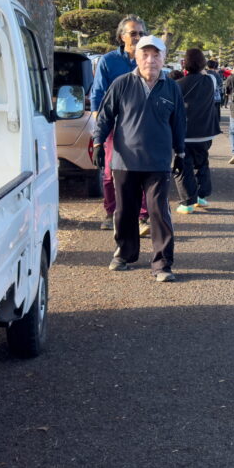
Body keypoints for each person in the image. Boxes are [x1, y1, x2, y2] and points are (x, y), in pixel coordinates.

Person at [92, 35, 185, 281]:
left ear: (164, 58)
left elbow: (179, 123)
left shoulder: (172, 88)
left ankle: (162, 263)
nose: (150, 60)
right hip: (125, 161)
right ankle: (124, 253)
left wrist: (182, 152)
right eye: (145, 54)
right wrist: (98, 142)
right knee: (125, 211)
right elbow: (105, 116)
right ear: (136, 56)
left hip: (158, 162)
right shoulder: (122, 83)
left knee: (158, 212)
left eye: (156, 55)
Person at [89, 15, 148, 232]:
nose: (138, 37)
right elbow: (97, 94)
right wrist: (99, 121)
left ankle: (143, 216)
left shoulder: (148, 60)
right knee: (110, 171)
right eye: (133, 33)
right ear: (121, 36)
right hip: (114, 124)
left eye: (141, 33)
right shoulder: (109, 61)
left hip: (143, 125)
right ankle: (110, 211)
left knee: (144, 169)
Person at [173, 47, 220, 214]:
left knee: (183, 167)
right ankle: (201, 195)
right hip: (206, 132)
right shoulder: (211, 81)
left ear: (185, 64)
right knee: (202, 163)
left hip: (184, 133)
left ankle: (187, 202)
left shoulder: (177, 85)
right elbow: (206, 74)